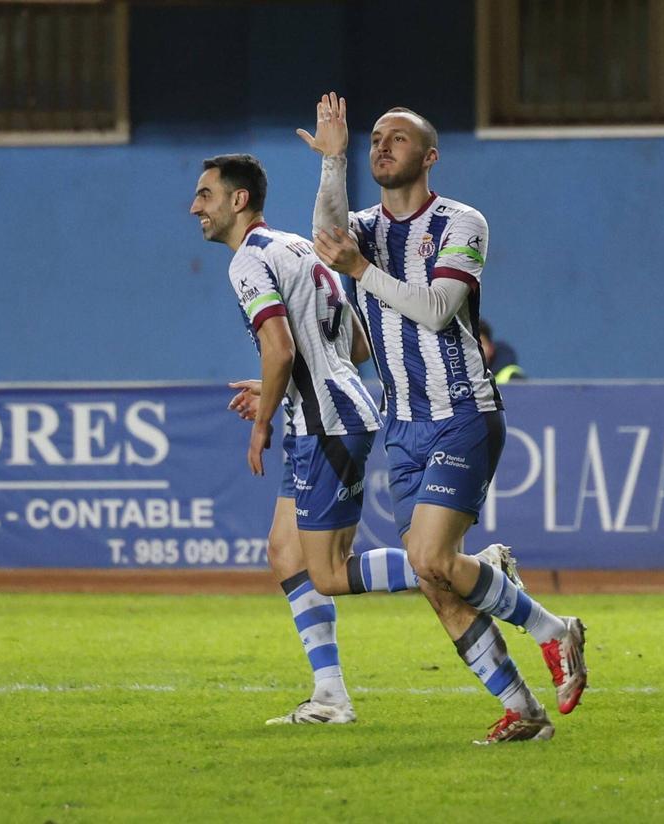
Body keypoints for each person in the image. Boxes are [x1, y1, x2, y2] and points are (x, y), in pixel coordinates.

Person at [299, 93, 588, 744]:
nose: (382, 145)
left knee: (430, 555)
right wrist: (332, 161)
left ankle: (552, 628)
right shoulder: (366, 227)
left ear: (429, 157)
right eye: (375, 137)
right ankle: (525, 712)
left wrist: (359, 270)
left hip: (462, 412)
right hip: (401, 424)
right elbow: (330, 238)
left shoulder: (462, 222)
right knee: (435, 578)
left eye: (395, 138)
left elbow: (435, 309)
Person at [191, 153, 515, 727]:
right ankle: (329, 696)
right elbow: (349, 342)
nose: (196, 207)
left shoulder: (246, 262)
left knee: (329, 573)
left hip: (325, 422)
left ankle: (462, 568)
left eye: (205, 195)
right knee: (284, 553)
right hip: (327, 410)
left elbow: (281, 349)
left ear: (238, 201)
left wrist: (263, 420)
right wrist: (280, 393)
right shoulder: (293, 246)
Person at [479, 318, 526, 383]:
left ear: (491, 349)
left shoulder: (512, 377)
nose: (475, 350)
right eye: (469, 345)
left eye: (480, 344)